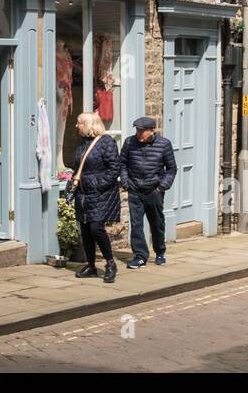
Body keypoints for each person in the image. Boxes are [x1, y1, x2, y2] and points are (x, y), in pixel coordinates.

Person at [68, 111, 121, 283]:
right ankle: (91, 265)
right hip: (83, 195)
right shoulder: (83, 143)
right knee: (85, 231)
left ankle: (110, 263)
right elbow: (79, 168)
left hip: (100, 194)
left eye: (79, 123)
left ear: (89, 124)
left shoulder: (107, 143)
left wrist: (98, 185)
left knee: (96, 228)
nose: (76, 126)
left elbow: (114, 169)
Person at [120, 116, 177, 268]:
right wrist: (126, 183)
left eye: (142, 131)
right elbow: (122, 164)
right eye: (137, 130)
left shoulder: (164, 144)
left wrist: (162, 187)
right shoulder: (129, 142)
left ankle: (160, 252)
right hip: (135, 190)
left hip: (154, 191)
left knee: (157, 223)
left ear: (152, 131)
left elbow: (171, 169)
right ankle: (140, 256)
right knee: (136, 224)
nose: (138, 134)